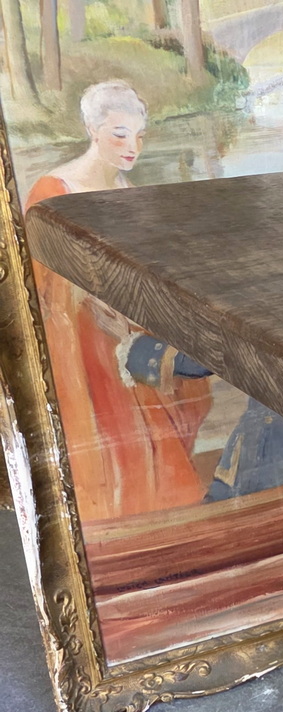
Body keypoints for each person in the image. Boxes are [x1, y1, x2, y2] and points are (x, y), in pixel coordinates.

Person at [24, 81, 215, 520]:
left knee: (174, 379)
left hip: (134, 329)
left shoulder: (130, 192)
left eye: (139, 136)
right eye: (119, 134)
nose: (133, 147)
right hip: (83, 343)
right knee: (118, 435)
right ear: (93, 130)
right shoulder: (54, 191)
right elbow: (45, 285)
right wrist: (97, 309)